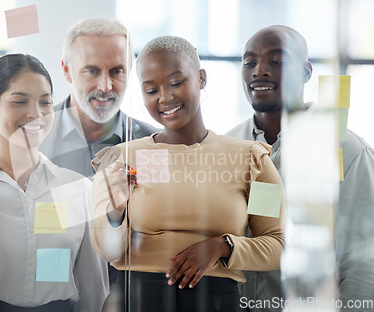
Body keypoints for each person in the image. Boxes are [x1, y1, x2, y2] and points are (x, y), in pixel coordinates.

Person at [90, 35, 285, 312]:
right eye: (150, 90)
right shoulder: (120, 159)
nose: (165, 97)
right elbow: (106, 251)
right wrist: (115, 212)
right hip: (135, 301)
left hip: (217, 301)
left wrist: (222, 247)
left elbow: (278, 244)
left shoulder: (252, 160)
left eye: (176, 82)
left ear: (201, 79)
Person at [226, 25, 374, 312]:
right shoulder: (227, 146)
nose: (259, 71)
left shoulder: (345, 148)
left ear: (306, 73)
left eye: (276, 61)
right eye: (249, 62)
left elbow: (363, 260)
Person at [0, 54, 109, 312]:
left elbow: (93, 288)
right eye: (20, 101)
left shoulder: (76, 188)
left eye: (45, 102)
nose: (35, 114)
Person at [0, 18, 158, 178]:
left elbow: (159, 211)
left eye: (117, 71)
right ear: (67, 71)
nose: (105, 86)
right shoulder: (21, 133)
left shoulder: (153, 144)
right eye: (91, 71)